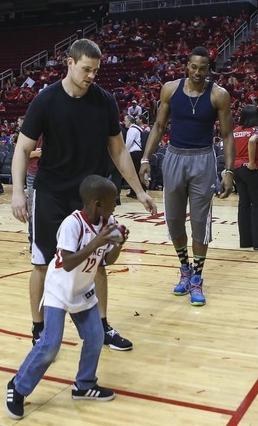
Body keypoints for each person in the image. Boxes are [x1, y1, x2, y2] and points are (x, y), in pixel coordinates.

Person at [11, 39, 157, 350]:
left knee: (99, 261)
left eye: (95, 70)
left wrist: (139, 191)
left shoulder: (104, 101)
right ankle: (39, 330)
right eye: (86, 69)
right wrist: (18, 191)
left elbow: (118, 151)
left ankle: (102, 327)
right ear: (70, 63)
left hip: (90, 197)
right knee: (42, 263)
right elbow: (23, 148)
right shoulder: (46, 100)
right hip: (50, 192)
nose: (91, 75)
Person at [5, 175, 125, 419]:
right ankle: (17, 388)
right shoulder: (72, 224)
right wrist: (99, 241)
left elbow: (107, 261)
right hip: (59, 290)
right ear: (96, 203)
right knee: (50, 345)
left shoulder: (108, 221)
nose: (116, 204)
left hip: (82, 290)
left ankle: (85, 384)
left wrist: (119, 245)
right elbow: (68, 263)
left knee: (95, 336)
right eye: (113, 201)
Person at [138, 45, 235, 306]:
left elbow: (227, 136)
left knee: (200, 223)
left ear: (209, 69)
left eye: (203, 68)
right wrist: (146, 158)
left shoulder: (219, 95)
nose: (198, 72)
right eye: (194, 66)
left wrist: (228, 171)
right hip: (173, 156)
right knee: (173, 220)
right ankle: (184, 270)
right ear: (187, 66)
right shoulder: (170, 89)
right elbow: (158, 126)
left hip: (203, 159)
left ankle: (197, 278)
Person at [232, 105, 258, 251]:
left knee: (243, 203)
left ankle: (245, 240)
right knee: (257, 204)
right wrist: (251, 162)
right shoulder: (256, 130)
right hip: (249, 168)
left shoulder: (236, 131)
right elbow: (252, 141)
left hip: (236, 168)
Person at [123, 114, 144, 199]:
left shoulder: (131, 130)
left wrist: (124, 153)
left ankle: (135, 192)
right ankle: (136, 191)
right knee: (137, 172)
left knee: (134, 173)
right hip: (138, 152)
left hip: (134, 153)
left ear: (129, 121)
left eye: (125, 120)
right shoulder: (138, 128)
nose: (124, 122)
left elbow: (128, 143)